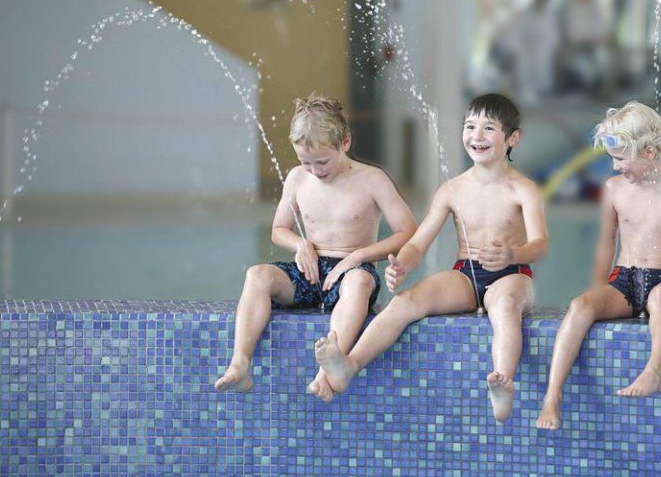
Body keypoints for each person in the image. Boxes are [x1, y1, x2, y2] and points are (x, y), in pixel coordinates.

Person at [314, 93, 549, 422]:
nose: (477, 135)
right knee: (405, 302)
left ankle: (502, 382)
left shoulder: (523, 189)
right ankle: (349, 366)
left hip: (512, 273)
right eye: (470, 126)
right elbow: (419, 243)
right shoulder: (452, 190)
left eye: (488, 128)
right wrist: (402, 264)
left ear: (513, 138)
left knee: (505, 307)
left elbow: (540, 245)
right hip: (465, 273)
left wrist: (513, 254)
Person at [536, 101, 661, 430]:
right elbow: (606, 244)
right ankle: (552, 395)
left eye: (620, 159)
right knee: (580, 305)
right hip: (623, 281)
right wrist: (598, 291)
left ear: (649, 151)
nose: (615, 167)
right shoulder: (614, 189)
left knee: (660, 299)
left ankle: (655, 370)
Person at [214, 93, 417, 400]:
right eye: (305, 162)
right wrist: (300, 244)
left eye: (322, 161)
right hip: (309, 271)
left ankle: (327, 373)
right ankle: (240, 364)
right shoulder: (297, 179)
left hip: (352, 272)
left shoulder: (372, 179)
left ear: (345, 142)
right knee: (257, 275)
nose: (315, 170)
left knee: (359, 282)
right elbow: (279, 229)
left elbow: (408, 230)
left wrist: (359, 256)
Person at [494, 0, 562, 102]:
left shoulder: (550, 17)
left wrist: (559, 78)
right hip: (525, 79)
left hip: (545, 79)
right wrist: (512, 79)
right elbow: (513, 49)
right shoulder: (522, 16)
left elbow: (555, 49)